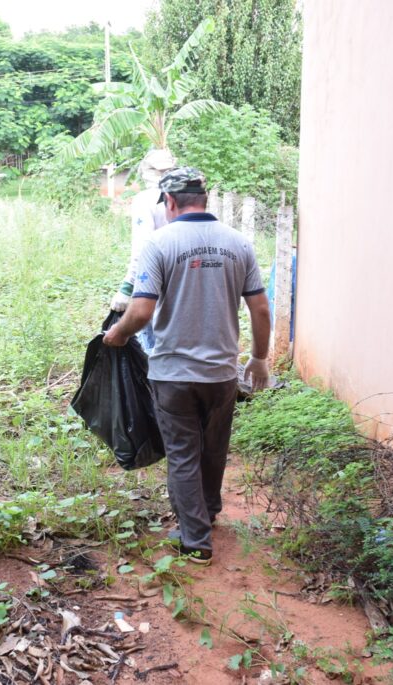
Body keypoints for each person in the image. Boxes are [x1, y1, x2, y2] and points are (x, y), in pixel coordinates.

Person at [103, 167, 271, 565]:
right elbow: (261, 308)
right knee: (213, 447)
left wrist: (119, 335)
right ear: (205, 199)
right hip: (221, 374)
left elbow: (140, 311)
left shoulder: (159, 244)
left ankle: (195, 539)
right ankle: (208, 511)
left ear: (171, 203)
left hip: (173, 374)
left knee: (182, 452)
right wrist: (259, 358)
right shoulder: (239, 243)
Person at [109, 149, 176, 351]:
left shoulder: (146, 200)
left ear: (146, 171)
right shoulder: (186, 195)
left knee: (152, 344)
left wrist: (127, 287)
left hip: (154, 276)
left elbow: (143, 248)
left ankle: (153, 381)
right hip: (185, 276)